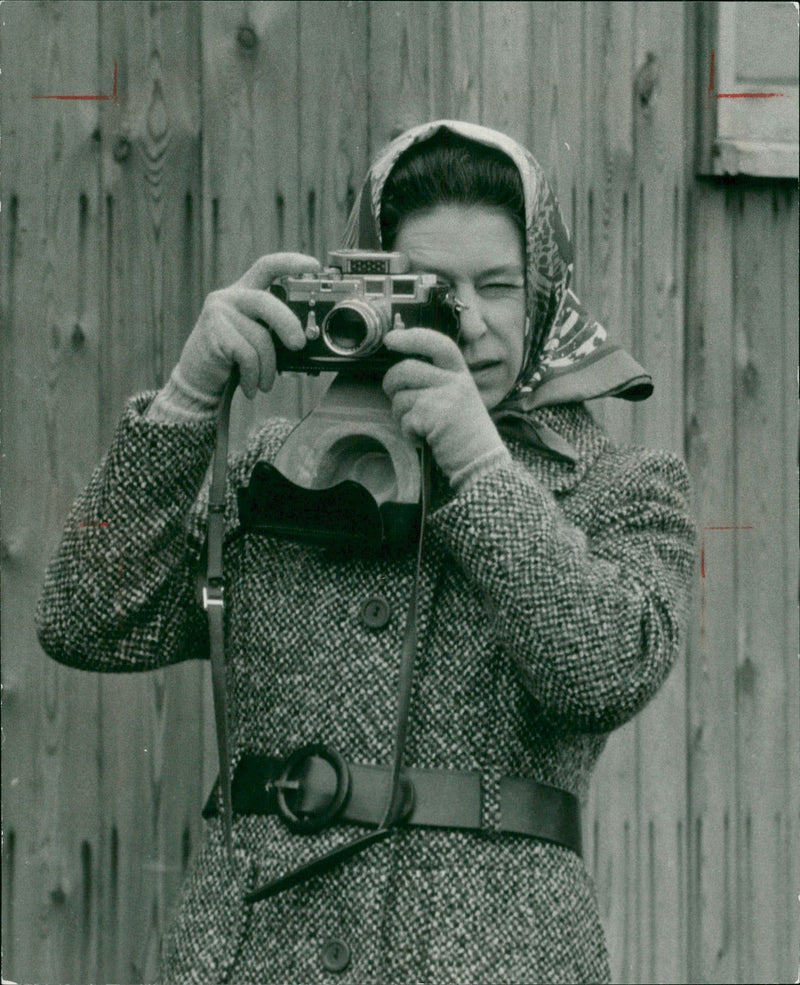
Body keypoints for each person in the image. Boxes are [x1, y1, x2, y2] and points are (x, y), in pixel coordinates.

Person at [37, 120, 696, 984]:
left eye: (496, 285)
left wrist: (477, 462)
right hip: (256, 947)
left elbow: (603, 670)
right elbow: (84, 617)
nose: (467, 321)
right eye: (430, 286)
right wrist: (188, 397)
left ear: (544, 291)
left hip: (495, 955)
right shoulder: (279, 461)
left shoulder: (627, 487)